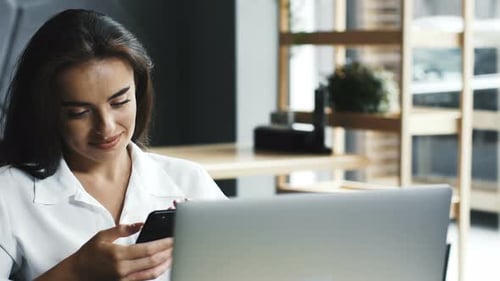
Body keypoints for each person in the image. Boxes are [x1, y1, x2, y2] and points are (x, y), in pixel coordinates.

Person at [0, 9, 226, 281]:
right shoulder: (9, 194)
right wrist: (75, 271)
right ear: (46, 111)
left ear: (139, 92)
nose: (106, 127)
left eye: (119, 102)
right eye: (79, 112)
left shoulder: (189, 180)